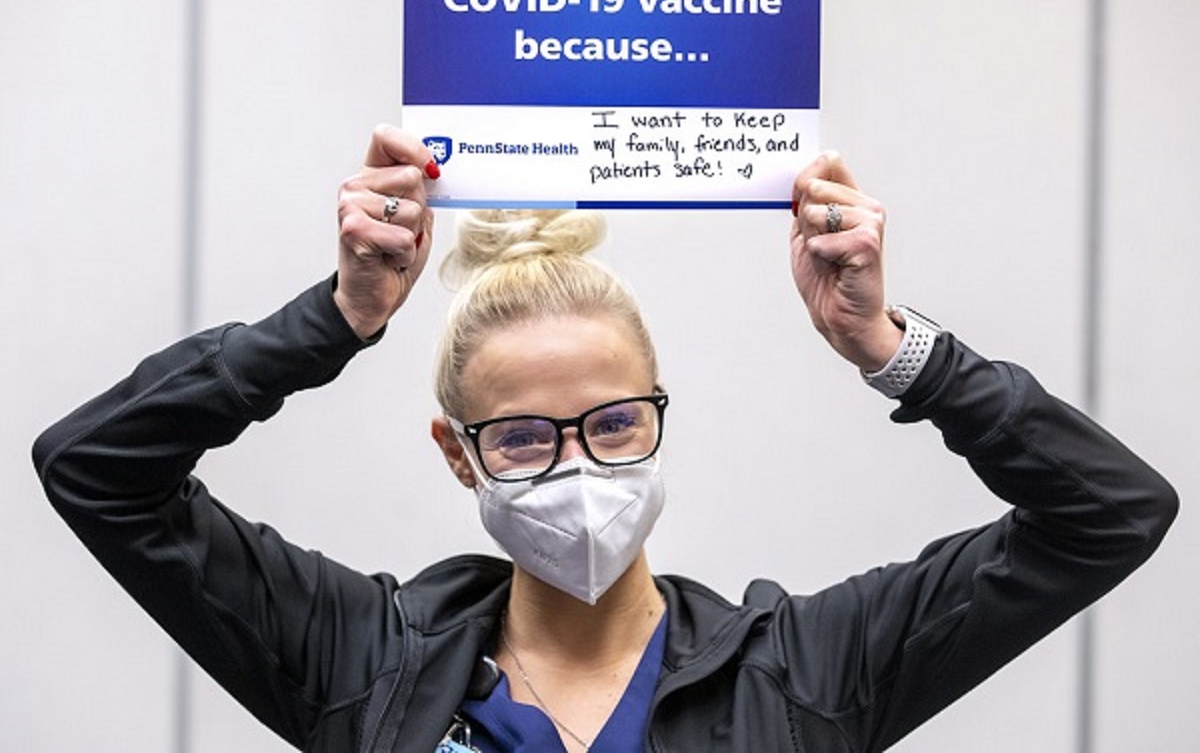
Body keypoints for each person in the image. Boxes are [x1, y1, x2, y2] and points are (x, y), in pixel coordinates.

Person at [34, 125, 1177, 752]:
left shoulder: (805, 674)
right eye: (525, 438)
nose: (580, 465)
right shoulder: (361, 661)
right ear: (457, 452)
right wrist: (335, 320)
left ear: (660, 418)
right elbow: (97, 472)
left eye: (616, 422)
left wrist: (887, 345)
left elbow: (1109, 513)